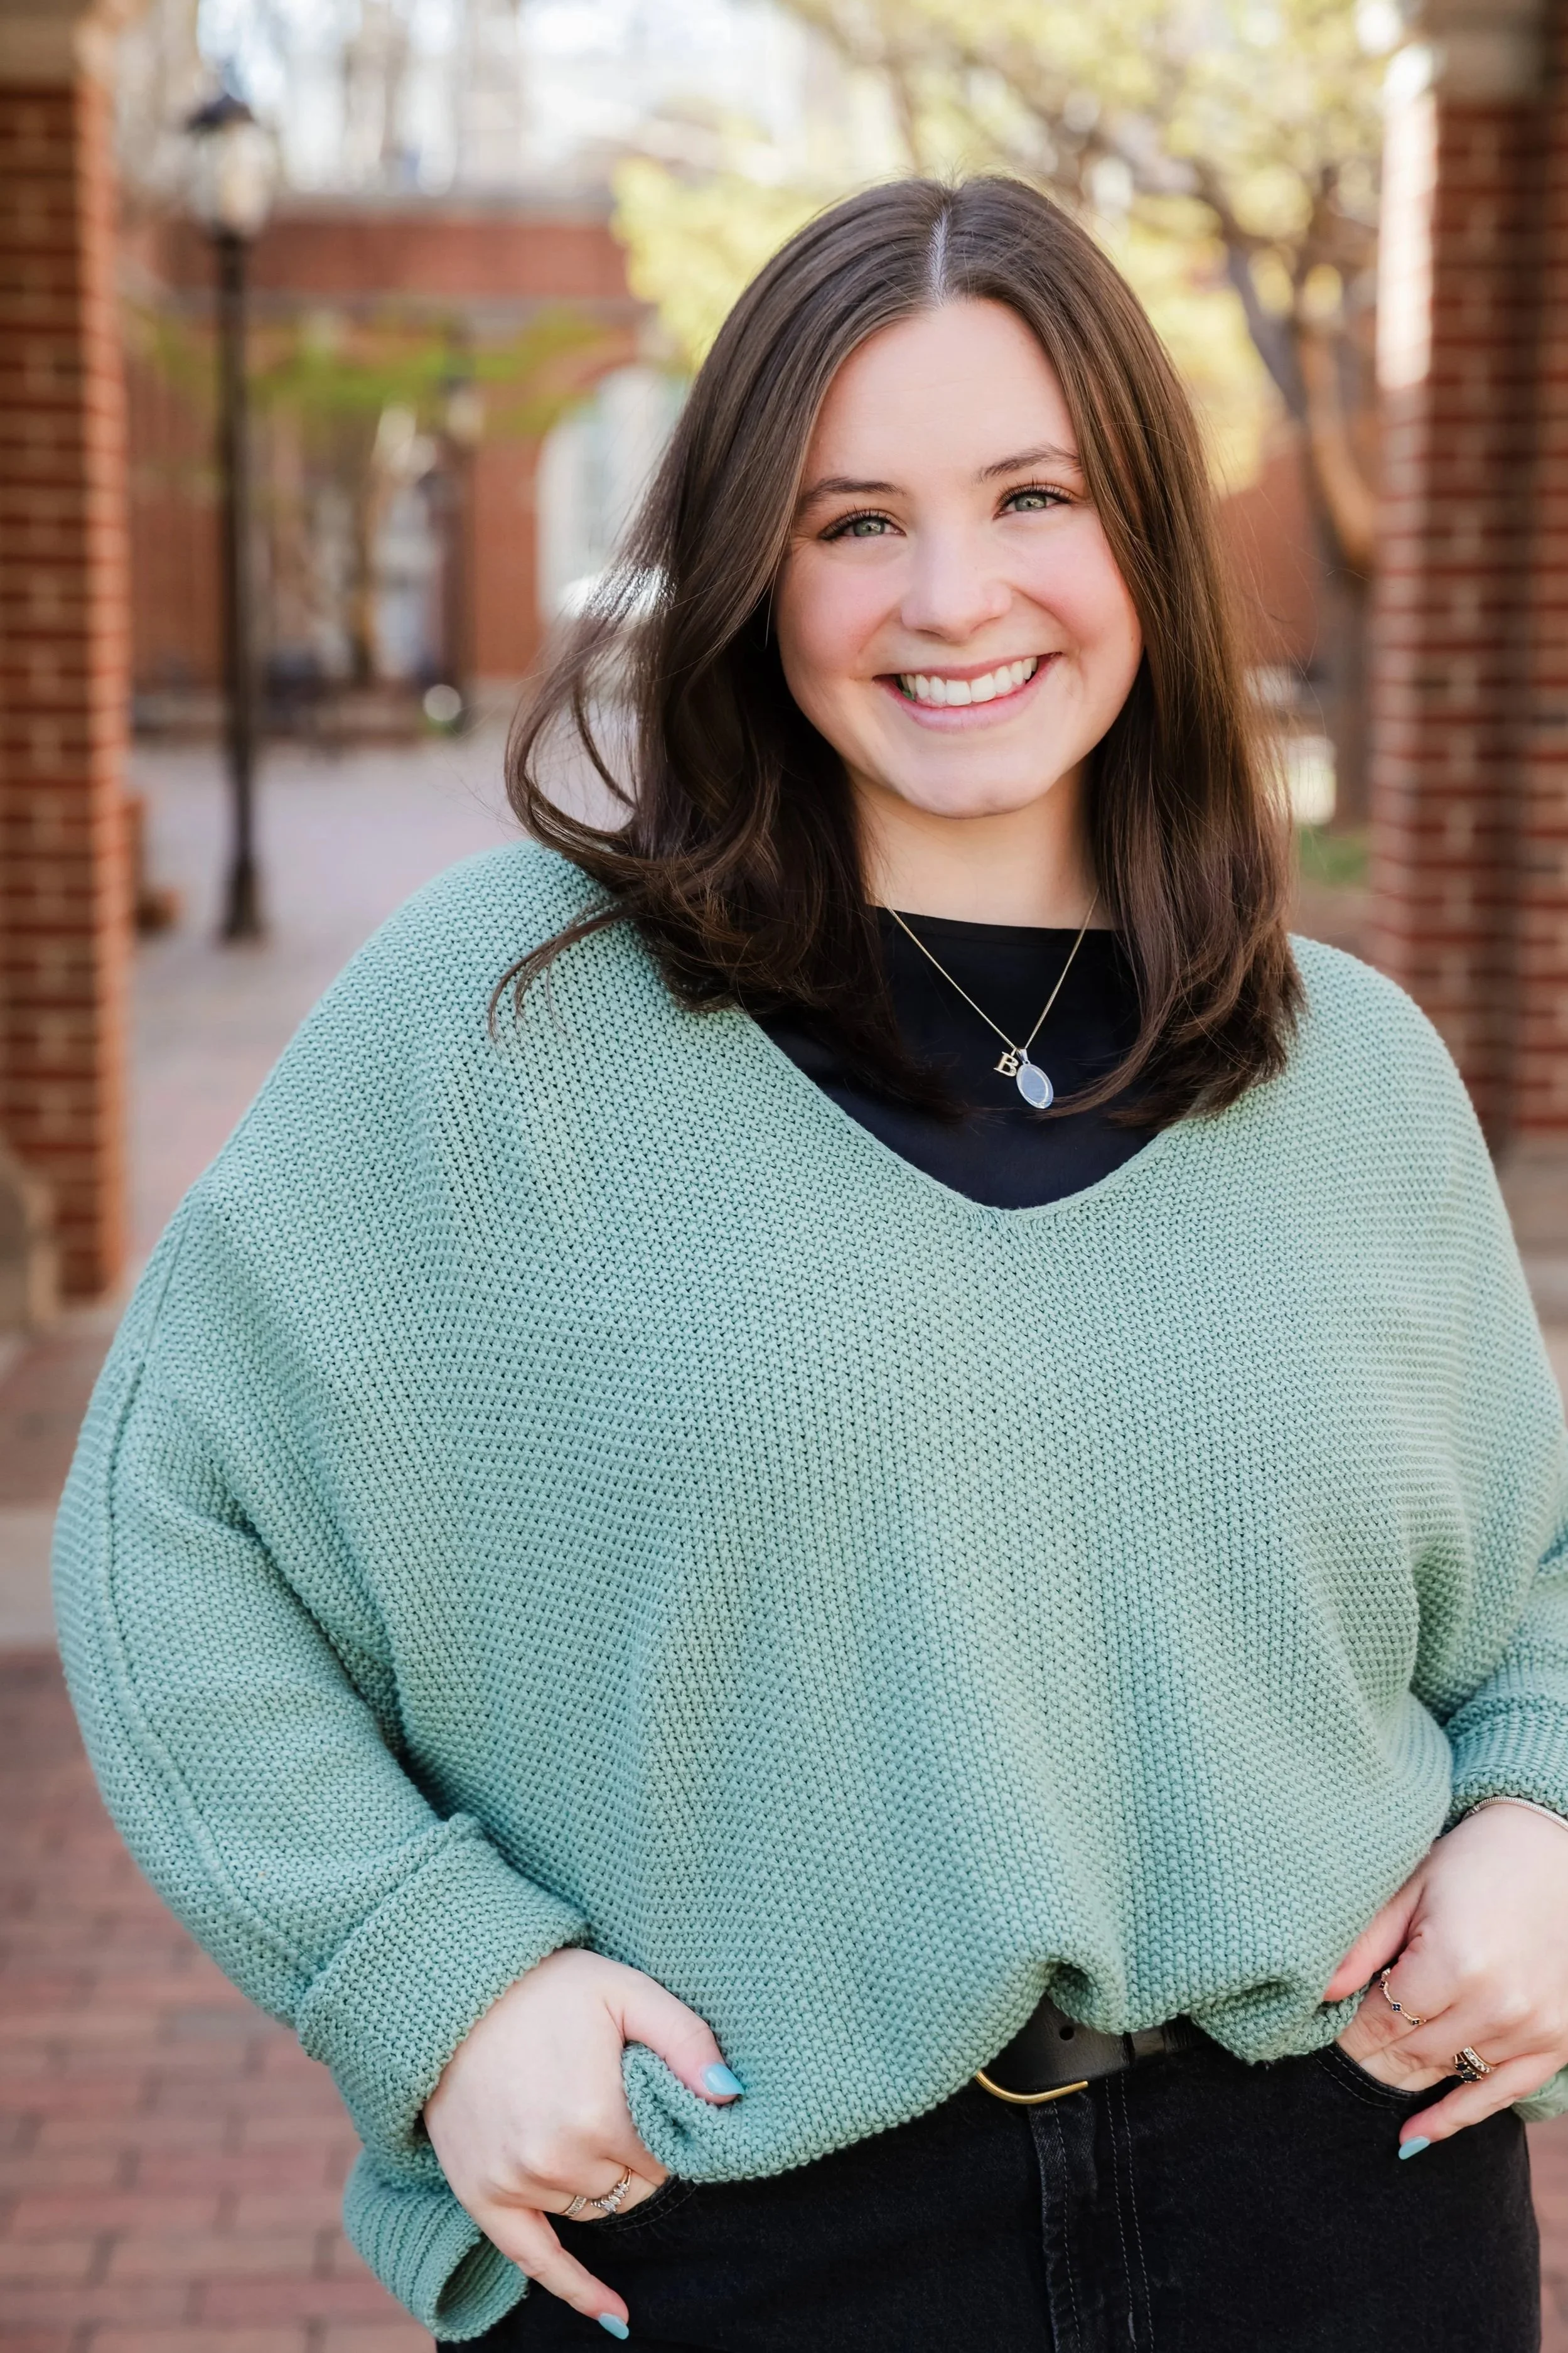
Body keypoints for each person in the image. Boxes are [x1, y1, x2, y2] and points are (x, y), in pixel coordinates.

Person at [55, 176, 1568, 2352]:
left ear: (1142, 522)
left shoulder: (1359, 1077)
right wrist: (432, 1976)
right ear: (755, 567)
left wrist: (1532, 1816)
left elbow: (1526, 1582)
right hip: (757, 2232)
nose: (953, 597)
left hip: (1339, 2212)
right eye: (856, 518)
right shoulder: (504, 1022)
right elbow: (166, 1526)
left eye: (1031, 492)